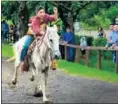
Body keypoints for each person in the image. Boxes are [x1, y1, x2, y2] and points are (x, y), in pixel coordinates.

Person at [20, 6, 58, 71]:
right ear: (37, 13)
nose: (42, 14)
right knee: (25, 46)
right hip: (32, 34)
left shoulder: (46, 16)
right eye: (40, 12)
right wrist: (43, 33)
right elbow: (36, 30)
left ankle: (53, 62)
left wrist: (55, 13)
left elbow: (54, 18)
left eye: (43, 12)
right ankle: (23, 62)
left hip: (43, 35)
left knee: (51, 45)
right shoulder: (35, 20)